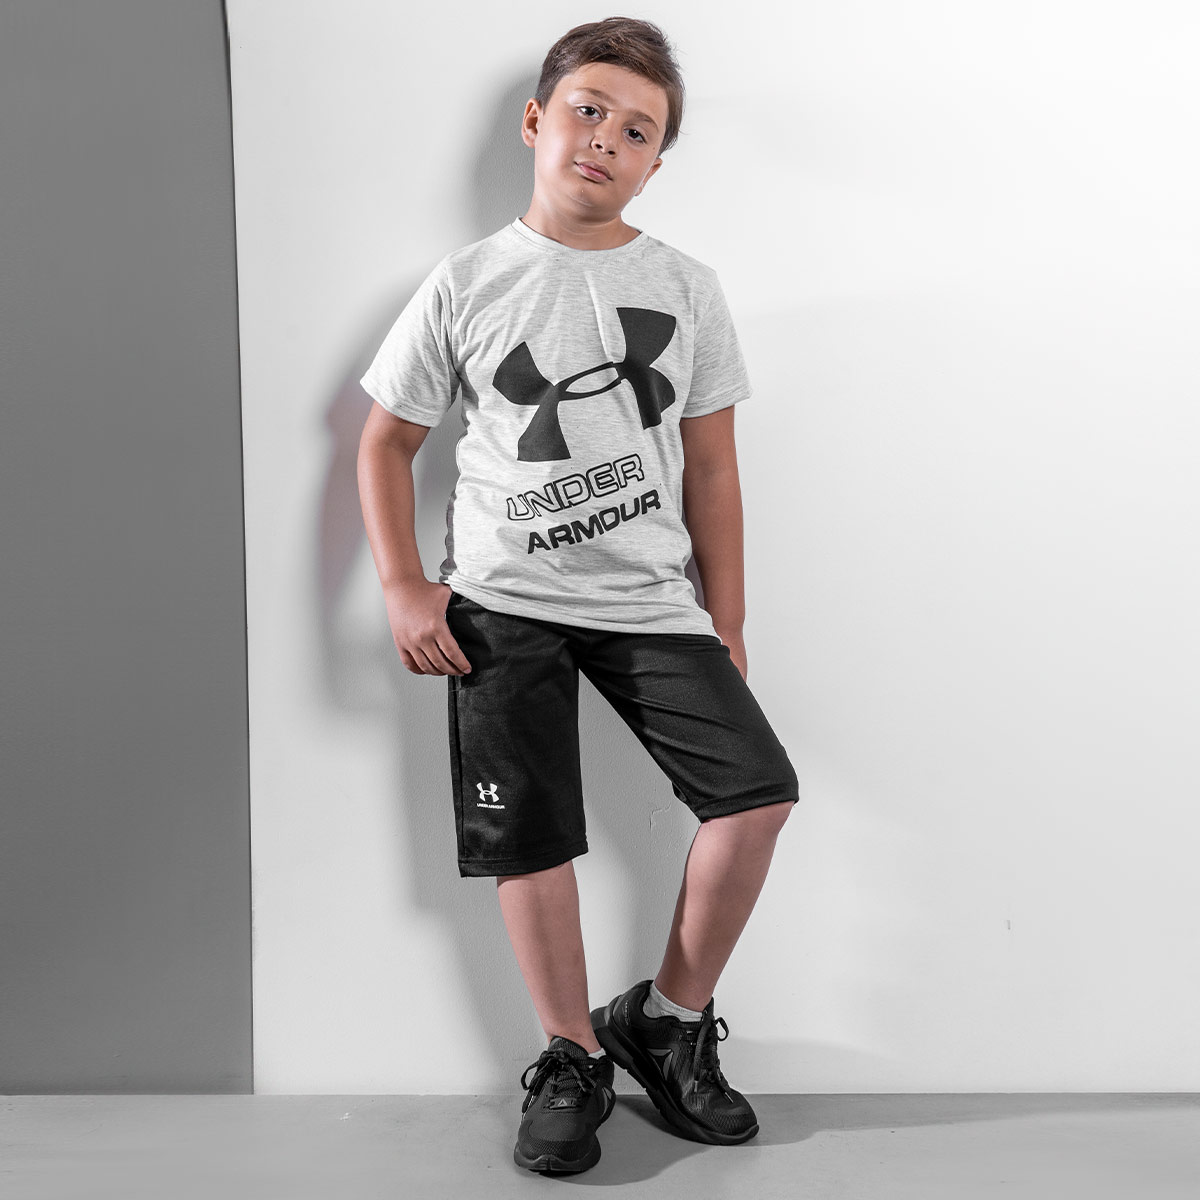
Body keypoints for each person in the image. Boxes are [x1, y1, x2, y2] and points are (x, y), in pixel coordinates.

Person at [356, 16, 799, 1176]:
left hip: (651, 603)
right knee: (531, 833)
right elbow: (386, 440)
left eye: (638, 130)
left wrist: (726, 621)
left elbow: (712, 470)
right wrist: (402, 582)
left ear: (657, 163)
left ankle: (665, 1021)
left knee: (756, 796)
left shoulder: (685, 290)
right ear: (536, 121)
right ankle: (569, 1056)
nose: (607, 137)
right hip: (501, 604)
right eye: (589, 110)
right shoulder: (468, 282)